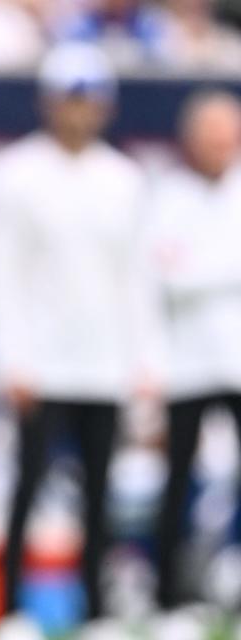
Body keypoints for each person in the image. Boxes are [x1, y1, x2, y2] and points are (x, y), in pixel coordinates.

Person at [0, 43, 157, 636]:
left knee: (101, 492)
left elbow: (137, 280)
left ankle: (97, 611)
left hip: (105, 364)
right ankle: (11, 609)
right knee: (26, 487)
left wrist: (143, 363)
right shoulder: (15, 173)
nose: (79, 112)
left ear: (104, 107)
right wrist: (13, 361)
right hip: (41, 365)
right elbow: (1, 275)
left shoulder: (125, 179)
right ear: (48, 103)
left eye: (89, 101)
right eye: (69, 100)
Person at [144, 89, 241, 630]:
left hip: (237, 361)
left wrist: (198, 269)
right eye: (209, 133)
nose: (218, 144)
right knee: (176, 480)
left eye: (226, 133)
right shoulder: (169, 195)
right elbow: (164, 278)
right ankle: (167, 597)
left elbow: (184, 272)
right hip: (186, 365)